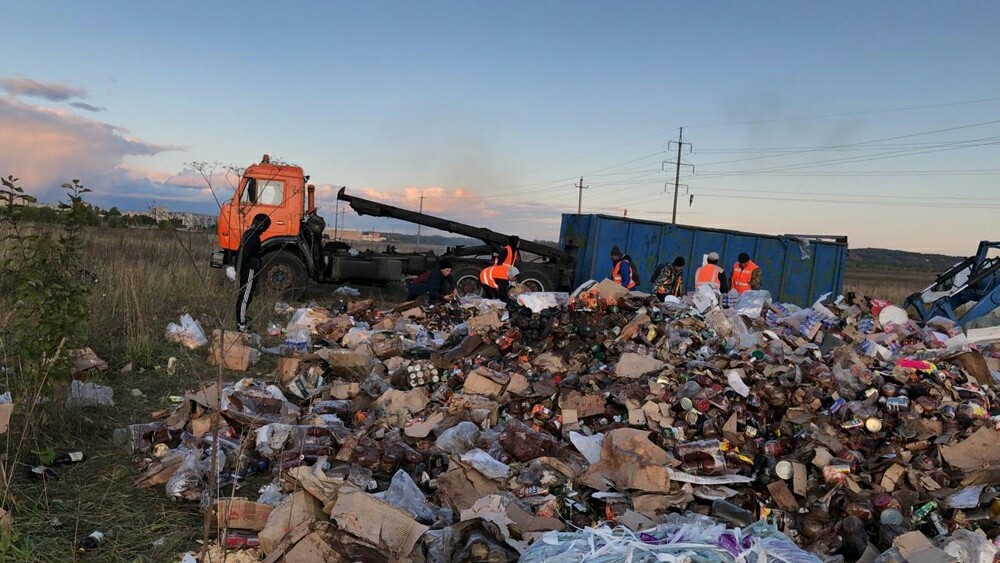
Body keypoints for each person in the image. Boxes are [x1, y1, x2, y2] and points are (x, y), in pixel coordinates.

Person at [236, 213, 271, 332]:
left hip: (249, 268)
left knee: (247, 295)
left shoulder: (250, 234)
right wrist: (238, 269)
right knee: (245, 296)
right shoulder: (253, 236)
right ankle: (241, 324)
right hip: (249, 269)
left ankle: (242, 319)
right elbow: (244, 253)